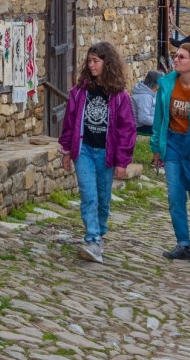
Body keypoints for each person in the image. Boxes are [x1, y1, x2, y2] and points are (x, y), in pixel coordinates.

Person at [58, 41, 137, 264]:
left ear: (107, 63)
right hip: (83, 151)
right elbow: (70, 122)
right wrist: (66, 150)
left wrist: (123, 161)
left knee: (103, 198)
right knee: (88, 195)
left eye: (96, 61)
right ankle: (92, 239)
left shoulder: (119, 97)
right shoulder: (79, 92)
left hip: (106, 153)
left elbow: (127, 130)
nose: (91, 66)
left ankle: (100, 232)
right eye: (89, 61)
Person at [150, 42, 190, 260]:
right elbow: (159, 119)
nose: (176, 59)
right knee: (175, 195)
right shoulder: (166, 84)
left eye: (182, 57)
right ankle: (183, 244)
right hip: (173, 143)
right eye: (176, 56)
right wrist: (156, 147)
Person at [130, 69, 160, 134]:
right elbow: (143, 119)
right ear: (156, 84)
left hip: (150, 122)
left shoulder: (151, 91)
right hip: (142, 126)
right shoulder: (144, 97)